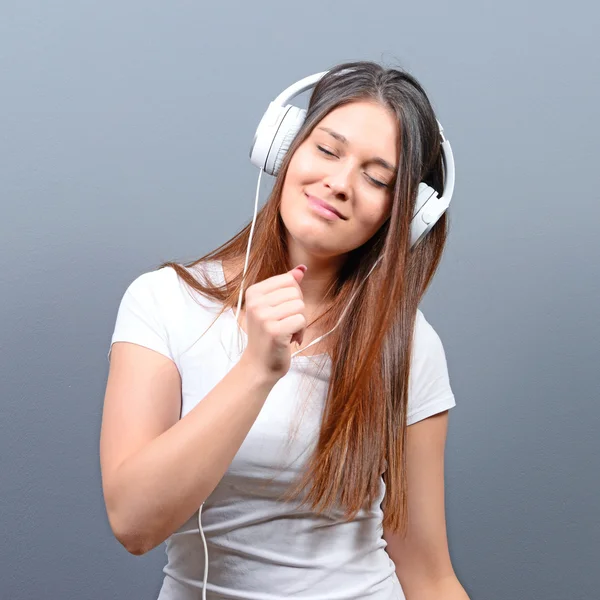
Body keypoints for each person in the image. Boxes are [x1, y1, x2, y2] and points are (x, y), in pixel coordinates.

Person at [100, 61, 469, 600]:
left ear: (404, 213)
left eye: (377, 178)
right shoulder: (163, 302)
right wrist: (256, 370)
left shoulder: (408, 343)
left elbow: (428, 572)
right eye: (326, 149)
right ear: (282, 148)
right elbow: (134, 523)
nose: (339, 184)